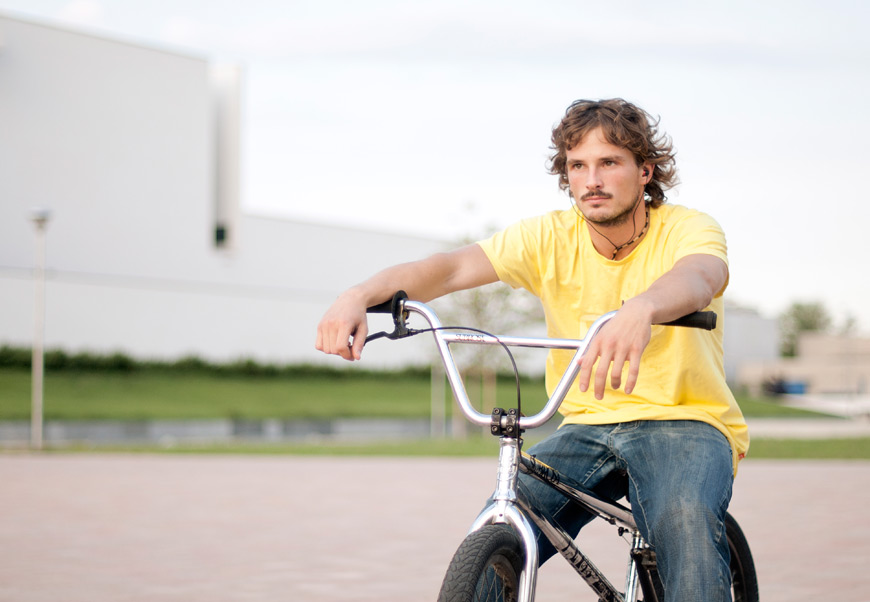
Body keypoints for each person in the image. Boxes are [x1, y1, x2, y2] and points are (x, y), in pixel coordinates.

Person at [316, 98, 749, 602]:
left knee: (685, 526)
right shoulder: (548, 237)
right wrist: (357, 295)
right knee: (497, 532)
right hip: (586, 425)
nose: (592, 180)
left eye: (609, 162)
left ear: (645, 171)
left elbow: (700, 276)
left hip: (686, 420)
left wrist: (643, 307)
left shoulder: (688, 227)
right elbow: (448, 270)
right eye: (577, 166)